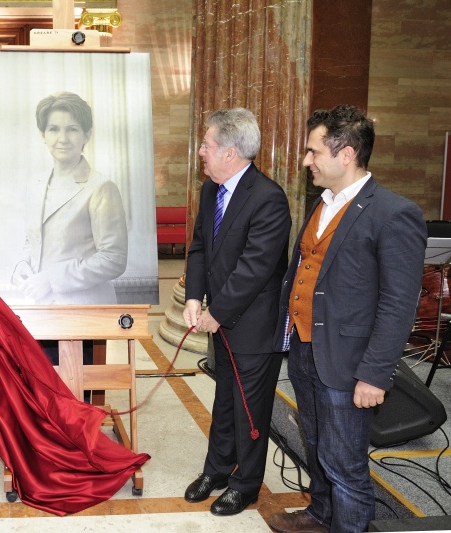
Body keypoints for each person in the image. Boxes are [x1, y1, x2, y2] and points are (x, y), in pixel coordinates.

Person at [267, 106, 427, 533]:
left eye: (313, 151)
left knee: (346, 464)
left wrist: (375, 375)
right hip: (306, 350)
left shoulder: (394, 213)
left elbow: (399, 304)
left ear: (347, 154)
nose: (306, 161)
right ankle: (320, 515)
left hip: (350, 363)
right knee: (317, 446)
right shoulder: (321, 203)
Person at [182, 107, 291, 516]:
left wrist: (217, 312)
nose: (201, 153)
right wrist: (194, 296)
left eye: (207, 145)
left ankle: (245, 484)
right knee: (224, 401)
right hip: (222, 322)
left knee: (250, 408)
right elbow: (198, 248)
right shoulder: (212, 190)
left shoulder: (268, 198)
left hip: (253, 325)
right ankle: (217, 470)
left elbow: (255, 268)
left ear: (230, 152)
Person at [11, 91, 128, 305]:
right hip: (41, 305)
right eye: (53, 129)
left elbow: (113, 259)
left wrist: (52, 278)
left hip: (84, 308)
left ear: (87, 135)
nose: (62, 139)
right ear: (43, 135)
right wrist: (21, 264)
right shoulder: (35, 184)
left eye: (72, 129)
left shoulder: (101, 187)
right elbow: (33, 240)